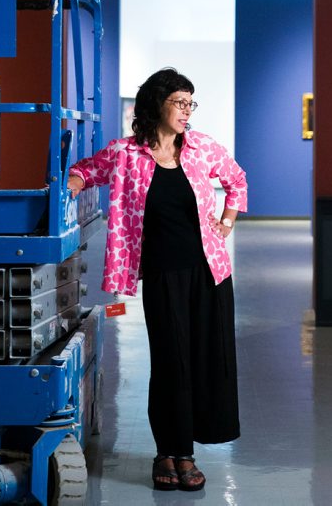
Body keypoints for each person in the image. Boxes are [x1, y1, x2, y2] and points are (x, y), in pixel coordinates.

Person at [67, 67, 247, 492]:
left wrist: (227, 220)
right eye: (180, 102)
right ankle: (168, 449)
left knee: (206, 358)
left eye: (191, 103)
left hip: (211, 272)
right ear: (157, 103)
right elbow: (87, 169)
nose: (187, 111)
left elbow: (236, 180)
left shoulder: (202, 149)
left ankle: (187, 454)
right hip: (164, 274)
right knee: (171, 361)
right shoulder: (128, 154)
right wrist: (73, 183)